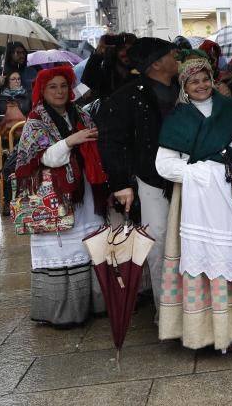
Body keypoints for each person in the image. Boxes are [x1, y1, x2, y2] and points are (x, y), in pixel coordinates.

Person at [155, 57, 232, 353]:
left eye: (204, 79)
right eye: (193, 81)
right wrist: (200, 172)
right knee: (206, 263)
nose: (200, 85)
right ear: (184, 86)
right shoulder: (179, 118)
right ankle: (208, 334)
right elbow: (163, 165)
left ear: (213, 79)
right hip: (199, 200)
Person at [14, 66, 108, 327]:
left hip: (85, 193)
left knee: (90, 244)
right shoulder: (35, 122)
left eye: (63, 86)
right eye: (52, 87)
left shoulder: (81, 114)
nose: (59, 91)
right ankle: (65, 312)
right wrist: (71, 141)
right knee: (64, 248)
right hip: (55, 197)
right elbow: (40, 159)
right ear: (42, 91)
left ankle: (96, 304)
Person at [97, 37, 180, 311]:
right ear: (156, 63)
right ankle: (166, 310)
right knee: (158, 242)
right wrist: (121, 183)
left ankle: (194, 307)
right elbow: (110, 142)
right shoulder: (126, 96)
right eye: (171, 53)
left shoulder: (187, 87)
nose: (176, 56)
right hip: (151, 180)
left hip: (191, 176)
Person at [82, 32, 137, 102]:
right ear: (116, 50)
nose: (125, 53)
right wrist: (98, 52)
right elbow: (88, 80)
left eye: (129, 49)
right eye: (122, 49)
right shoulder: (108, 72)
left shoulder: (141, 71)